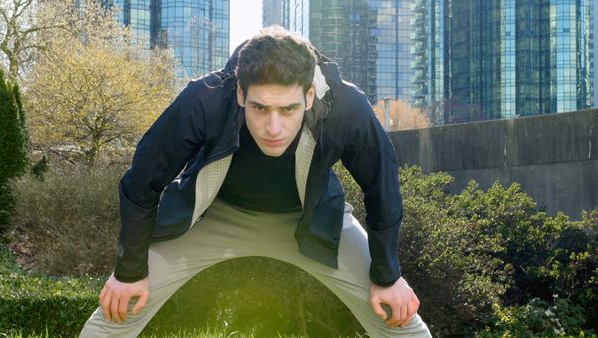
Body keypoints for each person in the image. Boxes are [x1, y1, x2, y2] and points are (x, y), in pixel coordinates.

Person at [80, 26, 432, 337]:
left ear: (309, 96)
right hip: (214, 215)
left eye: (289, 110)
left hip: (309, 219)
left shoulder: (346, 107)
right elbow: (142, 183)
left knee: (399, 320)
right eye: (260, 108)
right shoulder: (203, 100)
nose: (274, 128)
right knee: (118, 310)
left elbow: (382, 188)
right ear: (240, 95)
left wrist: (387, 277)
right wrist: (128, 272)